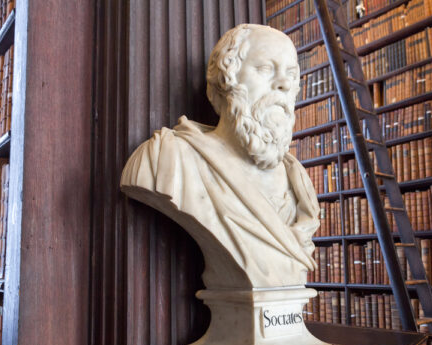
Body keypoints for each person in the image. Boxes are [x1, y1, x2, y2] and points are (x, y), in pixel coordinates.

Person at [121, 24, 320, 288]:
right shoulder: (168, 160)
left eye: (292, 74)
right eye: (265, 69)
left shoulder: (298, 180)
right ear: (226, 82)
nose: (284, 84)